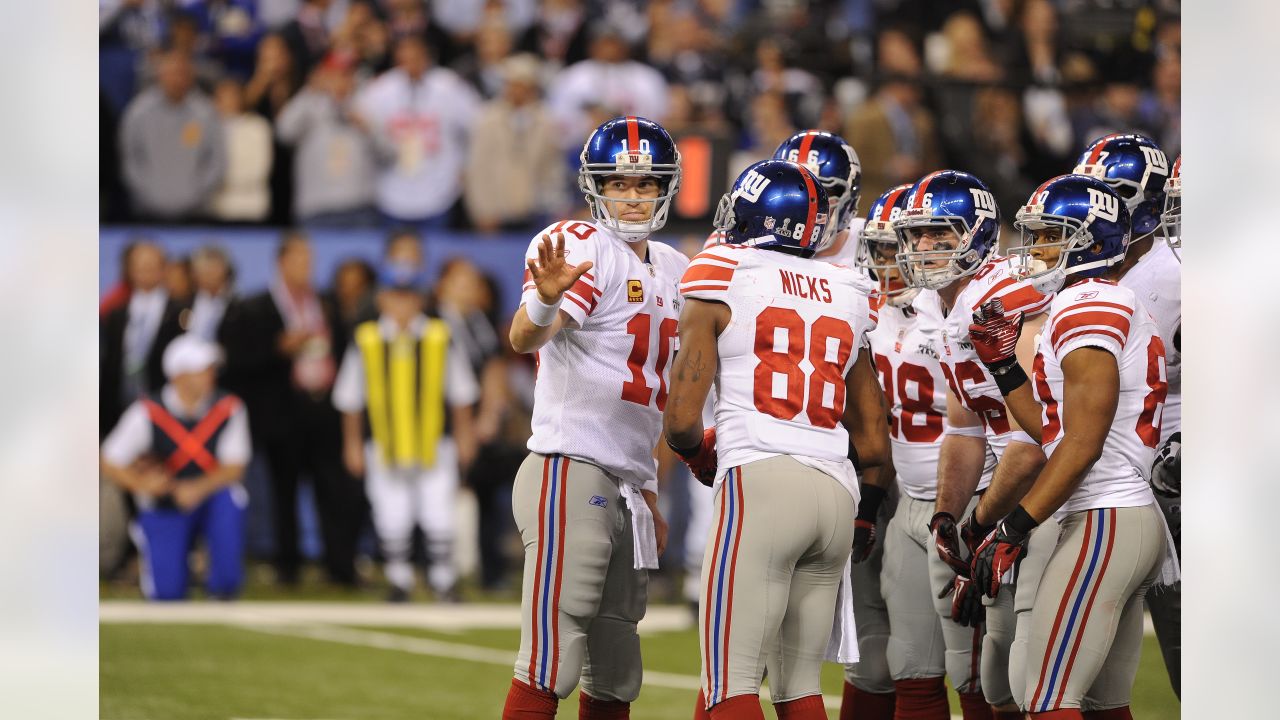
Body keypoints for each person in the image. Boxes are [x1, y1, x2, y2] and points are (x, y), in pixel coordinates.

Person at [664, 159, 889, 719]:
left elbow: (680, 418)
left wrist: (698, 455)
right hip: (836, 492)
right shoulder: (849, 288)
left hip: (761, 479)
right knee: (800, 688)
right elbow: (874, 441)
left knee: (731, 684)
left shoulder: (721, 272)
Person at [964, 173, 1177, 718]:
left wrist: (1016, 524)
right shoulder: (1098, 301)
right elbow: (1055, 432)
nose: (1035, 250)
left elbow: (1081, 445)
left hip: (1107, 513)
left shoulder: (1089, 305)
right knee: (1105, 706)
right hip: (1119, 513)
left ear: (1090, 241)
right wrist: (1006, 368)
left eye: (1050, 236)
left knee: (1046, 697)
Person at [500, 116, 685, 719]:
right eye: (619, 184)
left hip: (628, 483)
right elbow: (527, 337)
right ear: (595, 188)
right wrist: (545, 296)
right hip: (569, 468)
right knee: (550, 660)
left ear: (666, 188)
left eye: (645, 184)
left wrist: (651, 489)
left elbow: (662, 399)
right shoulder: (585, 245)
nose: (632, 197)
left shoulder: (680, 269)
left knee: (615, 669)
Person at [892, 170, 1053, 719]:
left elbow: (1033, 440)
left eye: (942, 234)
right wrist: (946, 517)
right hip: (1007, 500)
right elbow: (964, 426)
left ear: (979, 234)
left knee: (1028, 677)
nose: (923, 247)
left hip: (1051, 500)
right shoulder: (943, 306)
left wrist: (979, 526)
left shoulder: (1003, 299)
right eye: (916, 235)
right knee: (995, 676)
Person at [852, 182, 1000, 720]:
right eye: (883, 249)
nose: (891, 262)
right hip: (908, 502)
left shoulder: (958, 310)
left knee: (979, 673)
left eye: (903, 246)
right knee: (910, 664)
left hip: (967, 497)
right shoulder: (870, 310)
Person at [1075, 135, 1181, 698]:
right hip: (1145, 468)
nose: (1104, 210)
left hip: (1160, 478)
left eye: (1112, 194)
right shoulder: (1137, 271)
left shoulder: (1155, 279)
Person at [218, 231, 363, 587]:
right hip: (283, 412)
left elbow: (345, 349)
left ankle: (340, 568)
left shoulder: (324, 302)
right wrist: (277, 348)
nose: (306, 267)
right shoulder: (256, 306)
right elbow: (236, 361)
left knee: (333, 490)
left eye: (309, 260)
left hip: (324, 409)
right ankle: (288, 566)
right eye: (298, 260)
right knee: (283, 492)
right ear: (281, 262)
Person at [333, 262, 479, 601]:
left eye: (409, 297)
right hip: (384, 442)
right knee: (390, 512)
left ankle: (443, 579)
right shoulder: (367, 339)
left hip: (433, 442)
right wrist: (352, 444)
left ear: (420, 300)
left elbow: (460, 394)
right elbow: (350, 398)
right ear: (383, 299)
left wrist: (464, 437)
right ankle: (399, 579)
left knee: (438, 512)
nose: (402, 305)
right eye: (396, 297)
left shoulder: (439, 337)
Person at [100, 334, 251, 600]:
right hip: (164, 501)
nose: (210, 375)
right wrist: (142, 484)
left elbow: (234, 467)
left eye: (210, 369)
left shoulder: (228, 407)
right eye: (202, 370)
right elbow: (108, 458)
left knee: (231, 501)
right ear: (179, 375)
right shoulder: (147, 411)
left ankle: (222, 584)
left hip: (210, 497)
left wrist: (195, 488)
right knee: (167, 593)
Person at [356, 33, 481, 230]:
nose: (411, 62)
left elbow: (478, 125)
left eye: (416, 55)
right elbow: (359, 125)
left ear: (427, 56)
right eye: (405, 56)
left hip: (440, 189)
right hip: (391, 190)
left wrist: (466, 165)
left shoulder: (449, 85)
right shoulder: (380, 89)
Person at [464, 54, 566, 233]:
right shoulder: (488, 117)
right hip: (496, 209)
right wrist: (482, 211)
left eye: (522, 84)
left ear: (532, 87)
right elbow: (478, 168)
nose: (515, 90)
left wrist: (553, 208)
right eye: (511, 84)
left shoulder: (546, 119)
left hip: (535, 209)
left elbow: (552, 167)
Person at [119, 50, 226, 220]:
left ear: (191, 77)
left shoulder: (207, 113)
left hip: (196, 213)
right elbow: (129, 160)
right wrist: (148, 194)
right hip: (146, 212)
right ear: (160, 75)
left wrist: (196, 194)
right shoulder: (138, 112)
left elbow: (217, 162)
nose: (177, 79)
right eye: (172, 73)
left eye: (182, 73)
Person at [275, 52, 379, 226]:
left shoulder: (367, 104)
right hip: (316, 207)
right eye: (334, 74)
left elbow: (389, 151)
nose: (339, 80)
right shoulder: (309, 104)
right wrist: (310, 90)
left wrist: (366, 127)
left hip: (359, 206)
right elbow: (284, 132)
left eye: (346, 74)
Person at [207, 78, 273, 222]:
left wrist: (218, 179)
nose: (226, 101)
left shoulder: (257, 127)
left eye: (231, 96)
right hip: (216, 209)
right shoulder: (208, 129)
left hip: (250, 207)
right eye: (221, 97)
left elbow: (258, 170)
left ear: (240, 97)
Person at [188, 244, 237, 342]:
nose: (209, 275)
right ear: (195, 273)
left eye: (214, 269)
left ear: (226, 271)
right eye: (204, 270)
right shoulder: (184, 303)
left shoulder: (237, 306)